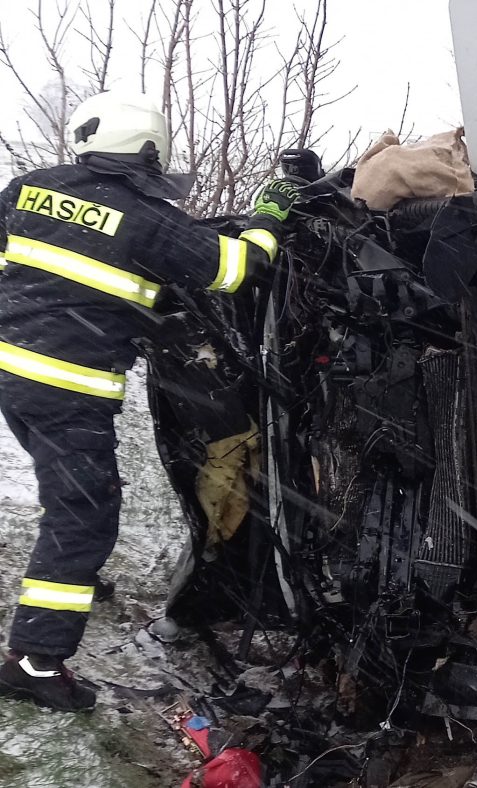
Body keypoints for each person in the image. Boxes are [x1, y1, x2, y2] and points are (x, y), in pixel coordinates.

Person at [0, 91, 300, 712]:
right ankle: (36, 659)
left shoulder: (30, 189)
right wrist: (270, 215)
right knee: (85, 512)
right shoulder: (145, 217)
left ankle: (68, 578)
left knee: (66, 496)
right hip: (67, 384)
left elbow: (61, 268)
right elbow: (236, 268)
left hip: (11, 366)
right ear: (146, 152)